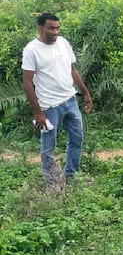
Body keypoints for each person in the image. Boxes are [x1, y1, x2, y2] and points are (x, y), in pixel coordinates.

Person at [22, 12, 93, 187]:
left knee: (77, 138)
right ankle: (53, 185)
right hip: (49, 106)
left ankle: (70, 175)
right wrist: (38, 112)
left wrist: (85, 93)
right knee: (48, 147)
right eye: (51, 28)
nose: (55, 32)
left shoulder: (63, 43)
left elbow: (72, 70)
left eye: (57, 28)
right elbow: (27, 82)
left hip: (70, 100)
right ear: (40, 28)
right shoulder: (31, 50)